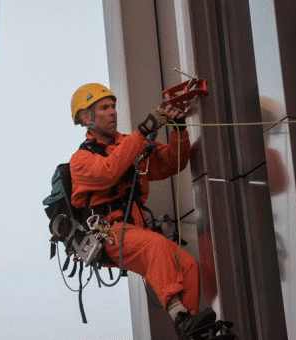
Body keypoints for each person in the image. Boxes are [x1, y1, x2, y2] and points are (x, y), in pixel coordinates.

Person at [68, 83, 215, 339]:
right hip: (108, 233)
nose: (113, 112)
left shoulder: (129, 143)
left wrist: (178, 129)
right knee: (154, 245)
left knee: (189, 265)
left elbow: (172, 163)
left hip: (135, 229)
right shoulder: (80, 160)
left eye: (113, 106)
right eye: (104, 107)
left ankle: (193, 330)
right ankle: (180, 316)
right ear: (86, 117)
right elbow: (109, 172)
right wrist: (144, 130)